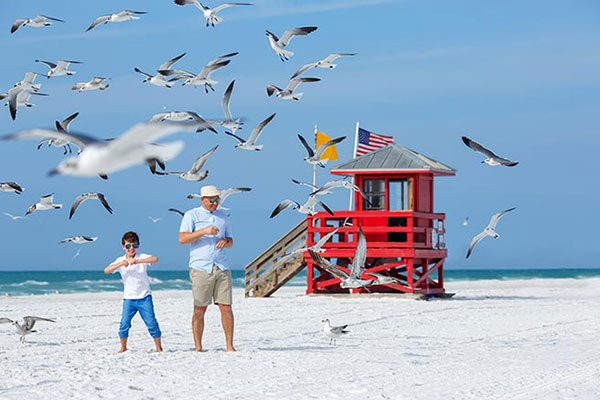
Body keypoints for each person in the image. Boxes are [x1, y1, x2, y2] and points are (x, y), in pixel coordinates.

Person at [179, 184, 235, 352]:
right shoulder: (191, 215)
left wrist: (225, 241)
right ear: (203, 199)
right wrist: (204, 231)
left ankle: (230, 346)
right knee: (200, 308)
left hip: (221, 265)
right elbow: (182, 239)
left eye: (217, 199)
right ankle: (198, 347)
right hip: (201, 267)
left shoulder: (223, 217)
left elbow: (231, 241)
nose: (215, 203)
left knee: (226, 307)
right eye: (212, 200)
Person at [104, 231, 163, 353]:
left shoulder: (141, 257)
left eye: (134, 246)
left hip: (144, 297)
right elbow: (107, 270)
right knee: (124, 324)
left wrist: (138, 261)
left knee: (151, 323)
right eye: (128, 246)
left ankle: (159, 347)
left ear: (138, 246)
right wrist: (121, 264)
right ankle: (123, 347)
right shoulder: (120, 260)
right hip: (129, 299)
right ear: (123, 247)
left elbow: (155, 259)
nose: (131, 249)